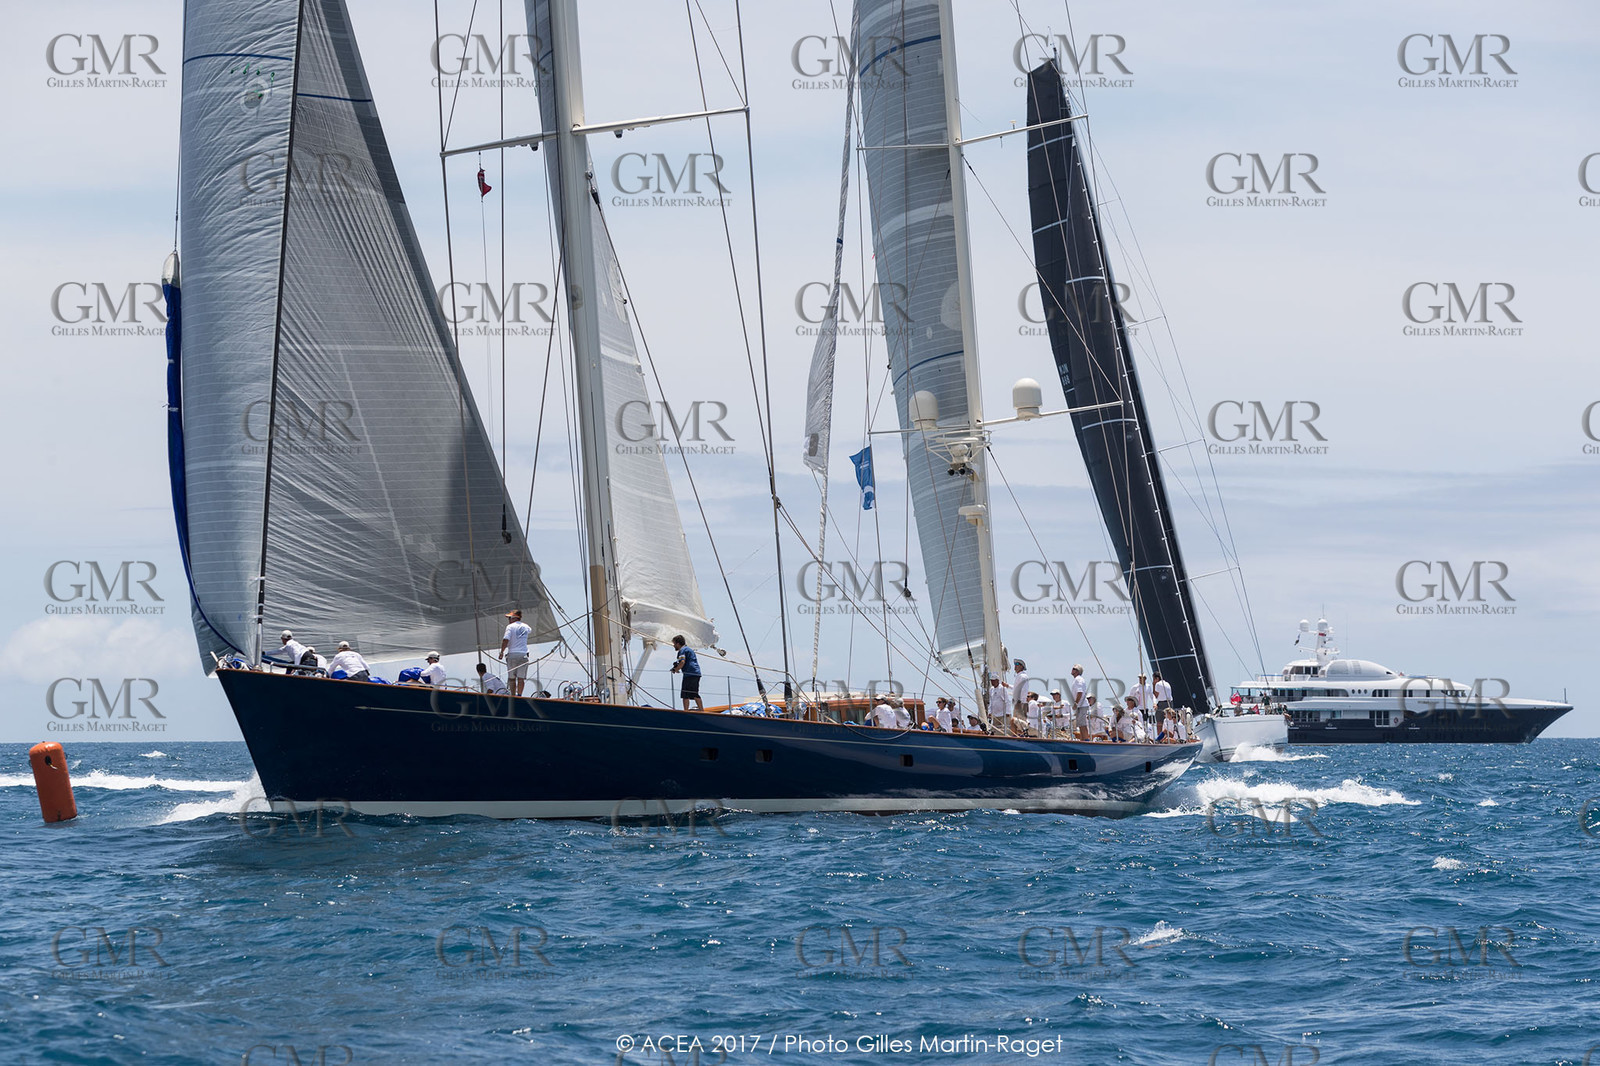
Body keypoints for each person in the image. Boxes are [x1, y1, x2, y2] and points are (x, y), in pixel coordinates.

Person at [501, 609, 532, 697]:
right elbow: (530, 630)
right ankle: (519, 695)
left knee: (512, 678)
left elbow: (505, 640)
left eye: (510, 618)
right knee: (521, 678)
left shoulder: (510, 627)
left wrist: (501, 652)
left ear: (514, 618)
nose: (509, 620)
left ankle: (513, 695)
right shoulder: (526, 627)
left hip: (512, 654)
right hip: (523, 655)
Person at [670, 634, 703, 712]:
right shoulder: (689, 649)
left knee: (685, 694)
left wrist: (675, 669)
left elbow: (682, 662)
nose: (674, 646)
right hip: (696, 673)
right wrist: (677, 668)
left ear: (678, 644)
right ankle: (702, 711)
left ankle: (686, 711)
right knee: (694, 693)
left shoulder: (682, 651)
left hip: (689, 674)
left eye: (674, 644)